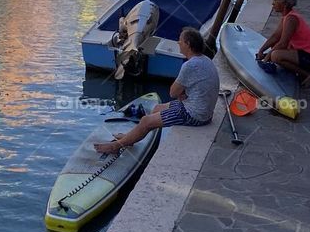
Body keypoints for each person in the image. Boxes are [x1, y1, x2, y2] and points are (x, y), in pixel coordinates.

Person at [94, 27, 219, 155]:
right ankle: (130, 138)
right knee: (157, 108)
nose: (178, 43)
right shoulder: (205, 59)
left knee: (145, 121)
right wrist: (184, 93)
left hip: (194, 115)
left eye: (180, 40)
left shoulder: (190, 65)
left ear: (188, 44)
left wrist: (182, 93)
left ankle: (116, 146)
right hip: (201, 110)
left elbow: (173, 93)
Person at [256, 0, 310, 89]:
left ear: (284, 4)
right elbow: (275, 36)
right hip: (307, 53)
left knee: (276, 55)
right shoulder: (287, 16)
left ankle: (308, 75)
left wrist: (267, 58)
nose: (273, 3)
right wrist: (261, 51)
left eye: (276, 0)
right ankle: (298, 72)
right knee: (274, 49)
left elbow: (283, 43)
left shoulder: (291, 19)